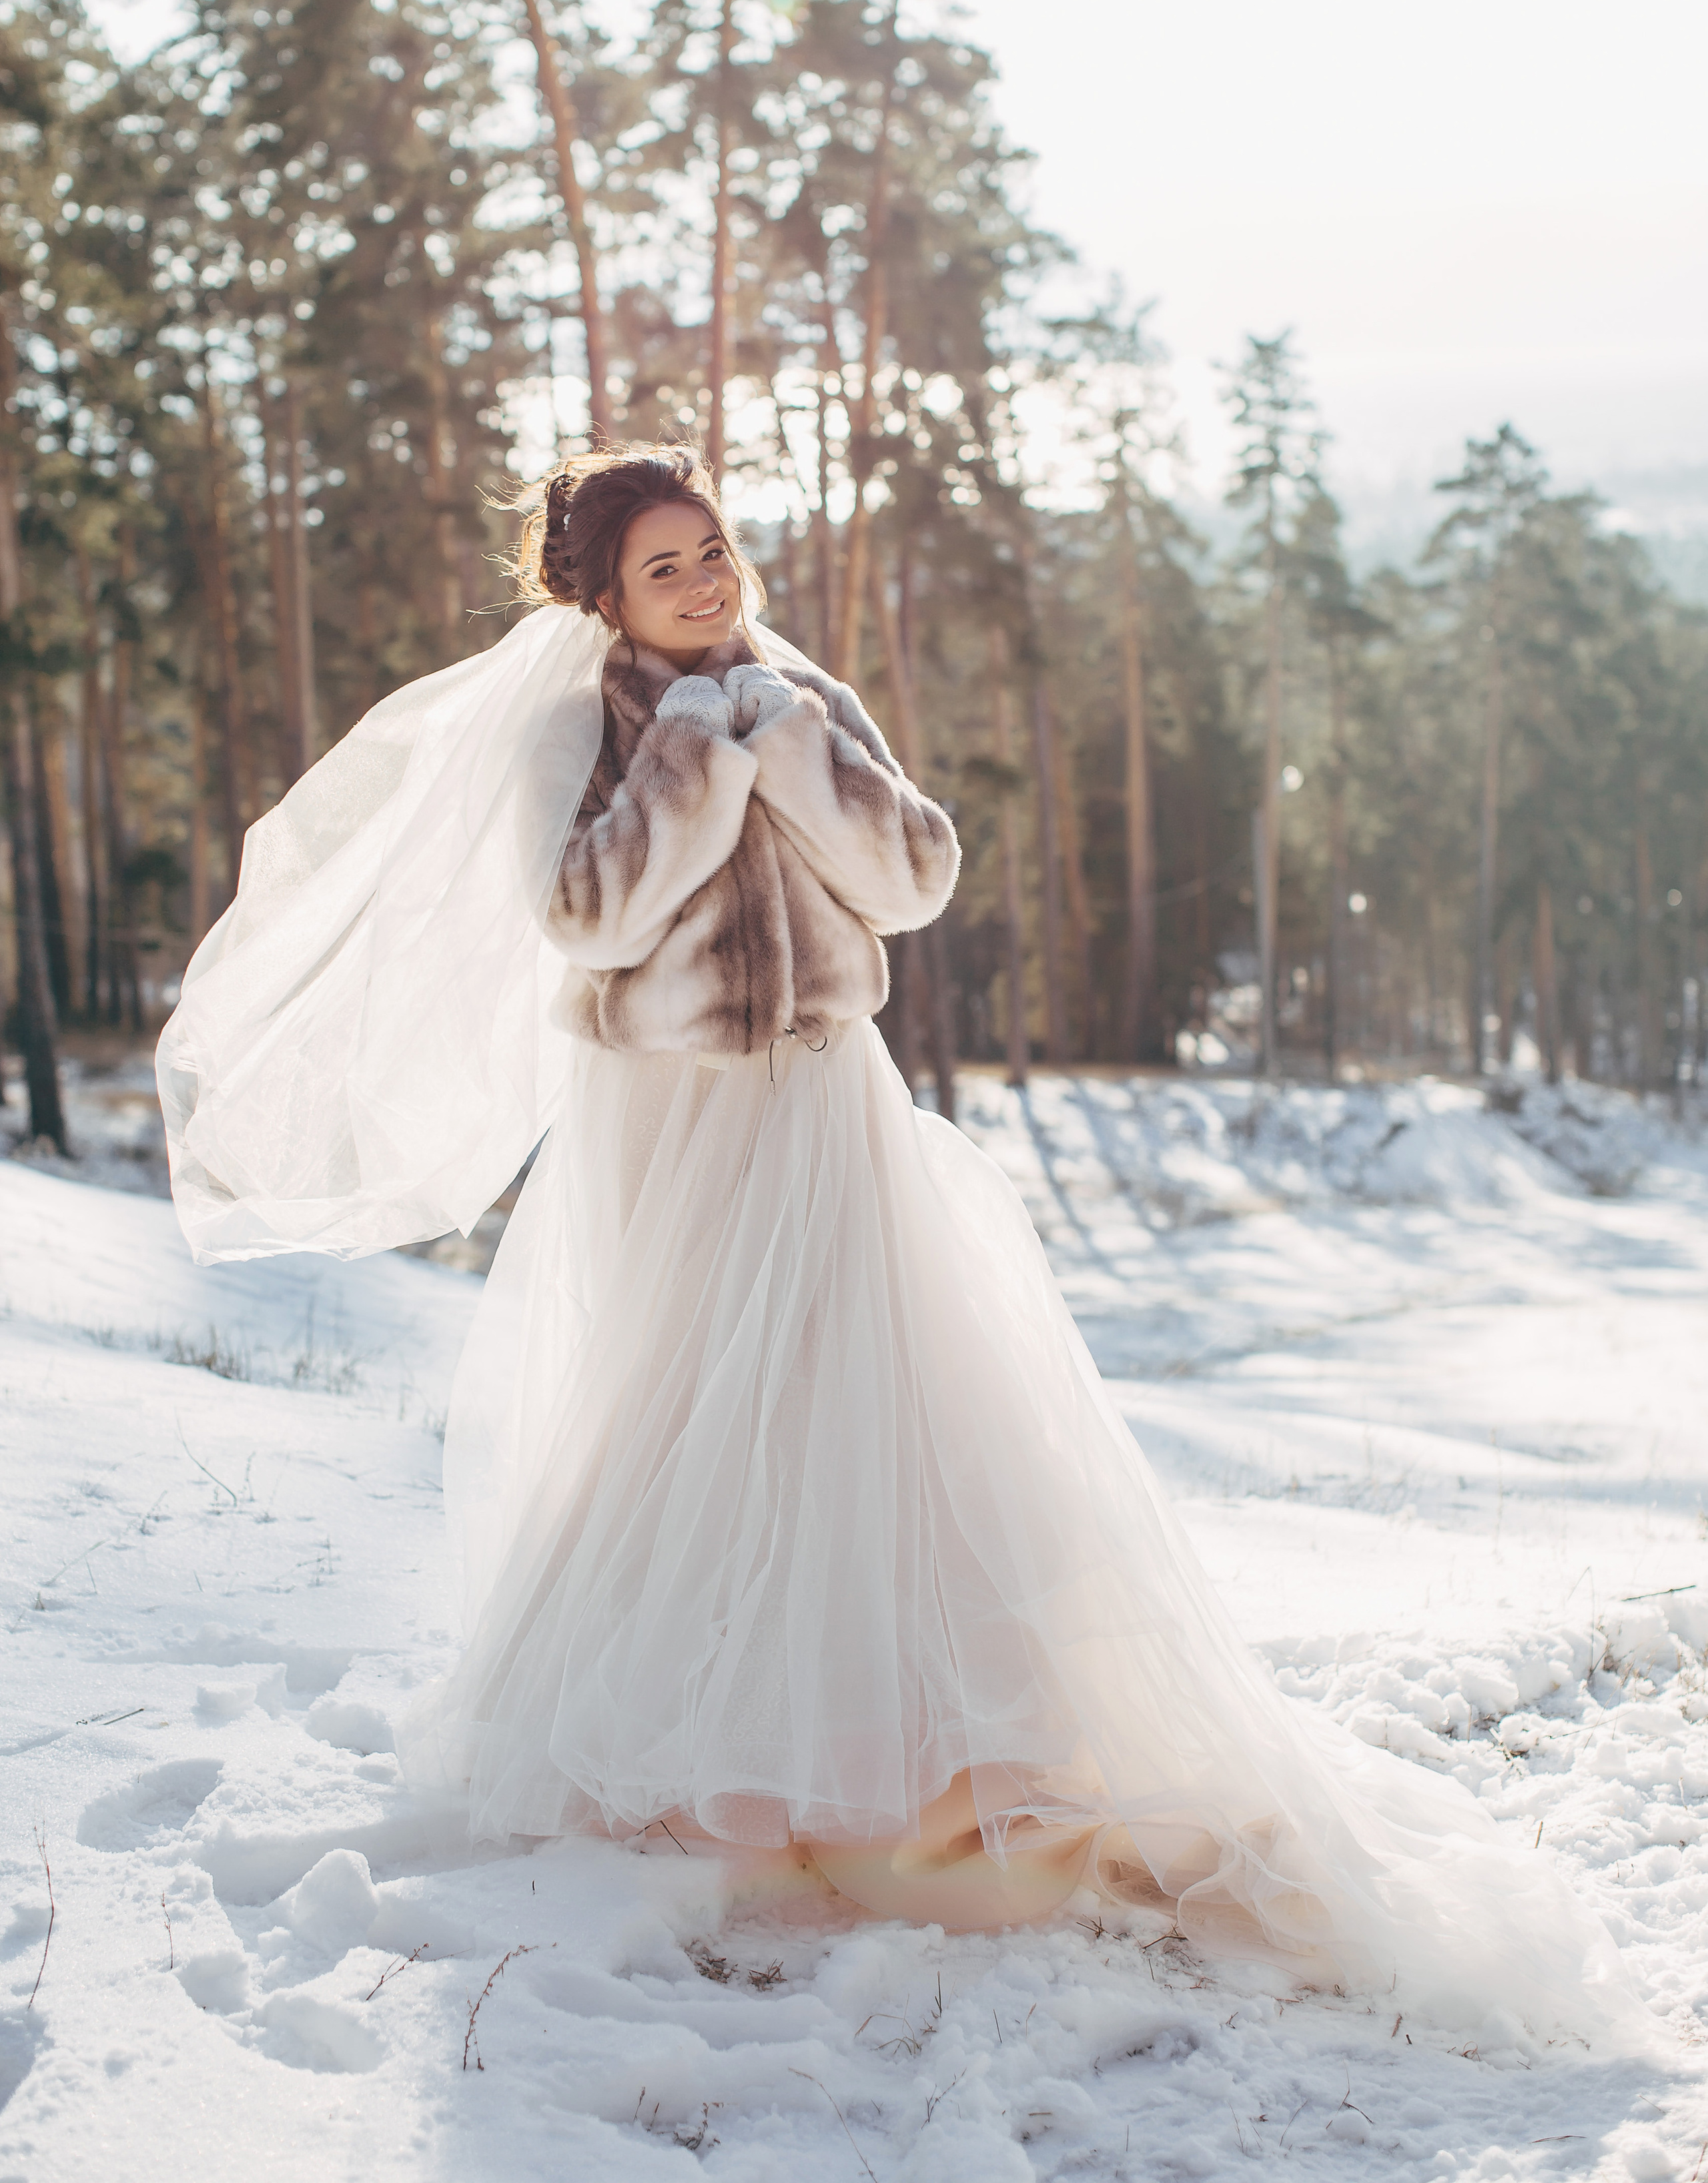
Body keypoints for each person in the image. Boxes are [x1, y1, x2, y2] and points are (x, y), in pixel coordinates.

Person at [159, 444, 1640, 2039]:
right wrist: (692, 762)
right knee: (694, 1397)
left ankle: (911, 1729)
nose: (704, 582)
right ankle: (704, 1730)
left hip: (825, 1096)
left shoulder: (796, 693)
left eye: (711, 550)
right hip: (671, 1113)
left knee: (864, 1388)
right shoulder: (572, 728)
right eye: (664, 568)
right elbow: (587, 917)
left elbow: (914, 874)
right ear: (603, 597)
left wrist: (790, 751)